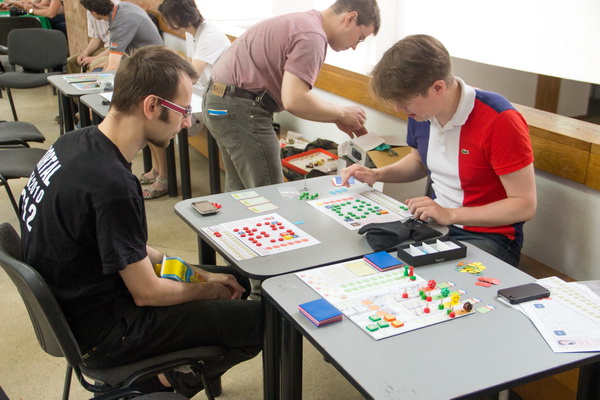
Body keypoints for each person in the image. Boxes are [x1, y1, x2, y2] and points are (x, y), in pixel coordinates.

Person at [19, 46, 262, 397]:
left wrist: (204, 275)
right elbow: (147, 293)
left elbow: (127, 246)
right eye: (183, 111)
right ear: (151, 106)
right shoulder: (112, 186)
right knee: (261, 322)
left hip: (75, 305)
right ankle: (161, 384)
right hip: (104, 334)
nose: (187, 123)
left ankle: (167, 377)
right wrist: (210, 290)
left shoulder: (74, 142)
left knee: (236, 280)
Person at [341, 35, 536, 267]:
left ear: (437, 88)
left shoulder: (500, 120)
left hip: (487, 235)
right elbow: (418, 161)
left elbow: (524, 204)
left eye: (405, 102)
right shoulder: (421, 113)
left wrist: (451, 214)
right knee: (367, 257)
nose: (398, 108)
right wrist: (377, 174)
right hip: (435, 224)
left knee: (443, 284)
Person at [203, 0, 381, 193]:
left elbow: (294, 94)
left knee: (240, 192)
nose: (355, 46)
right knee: (270, 195)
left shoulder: (302, 22)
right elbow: (295, 100)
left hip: (218, 101)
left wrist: (336, 116)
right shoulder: (313, 36)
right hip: (240, 109)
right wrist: (341, 113)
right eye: (360, 38)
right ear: (350, 18)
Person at [137, 0, 231, 200]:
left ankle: (164, 177)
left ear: (181, 17)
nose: (168, 24)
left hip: (217, 99)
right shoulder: (194, 33)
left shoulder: (209, 35)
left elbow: (191, 75)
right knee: (149, 114)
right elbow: (188, 71)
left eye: (170, 19)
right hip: (201, 93)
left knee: (156, 118)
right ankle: (158, 169)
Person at [80, 0, 163, 72]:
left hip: (151, 64)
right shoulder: (125, 6)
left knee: (99, 72)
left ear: (94, 13)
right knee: (100, 68)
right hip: (145, 56)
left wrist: (98, 82)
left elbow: (113, 68)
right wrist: (108, 63)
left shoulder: (120, 25)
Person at [66, 1, 120, 74]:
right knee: (71, 62)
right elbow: (96, 38)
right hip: (105, 48)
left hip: (117, 50)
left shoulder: (116, 7)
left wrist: (95, 58)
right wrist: (85, 54)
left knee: (94, 63)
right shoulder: (91, 10)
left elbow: (118, 45)